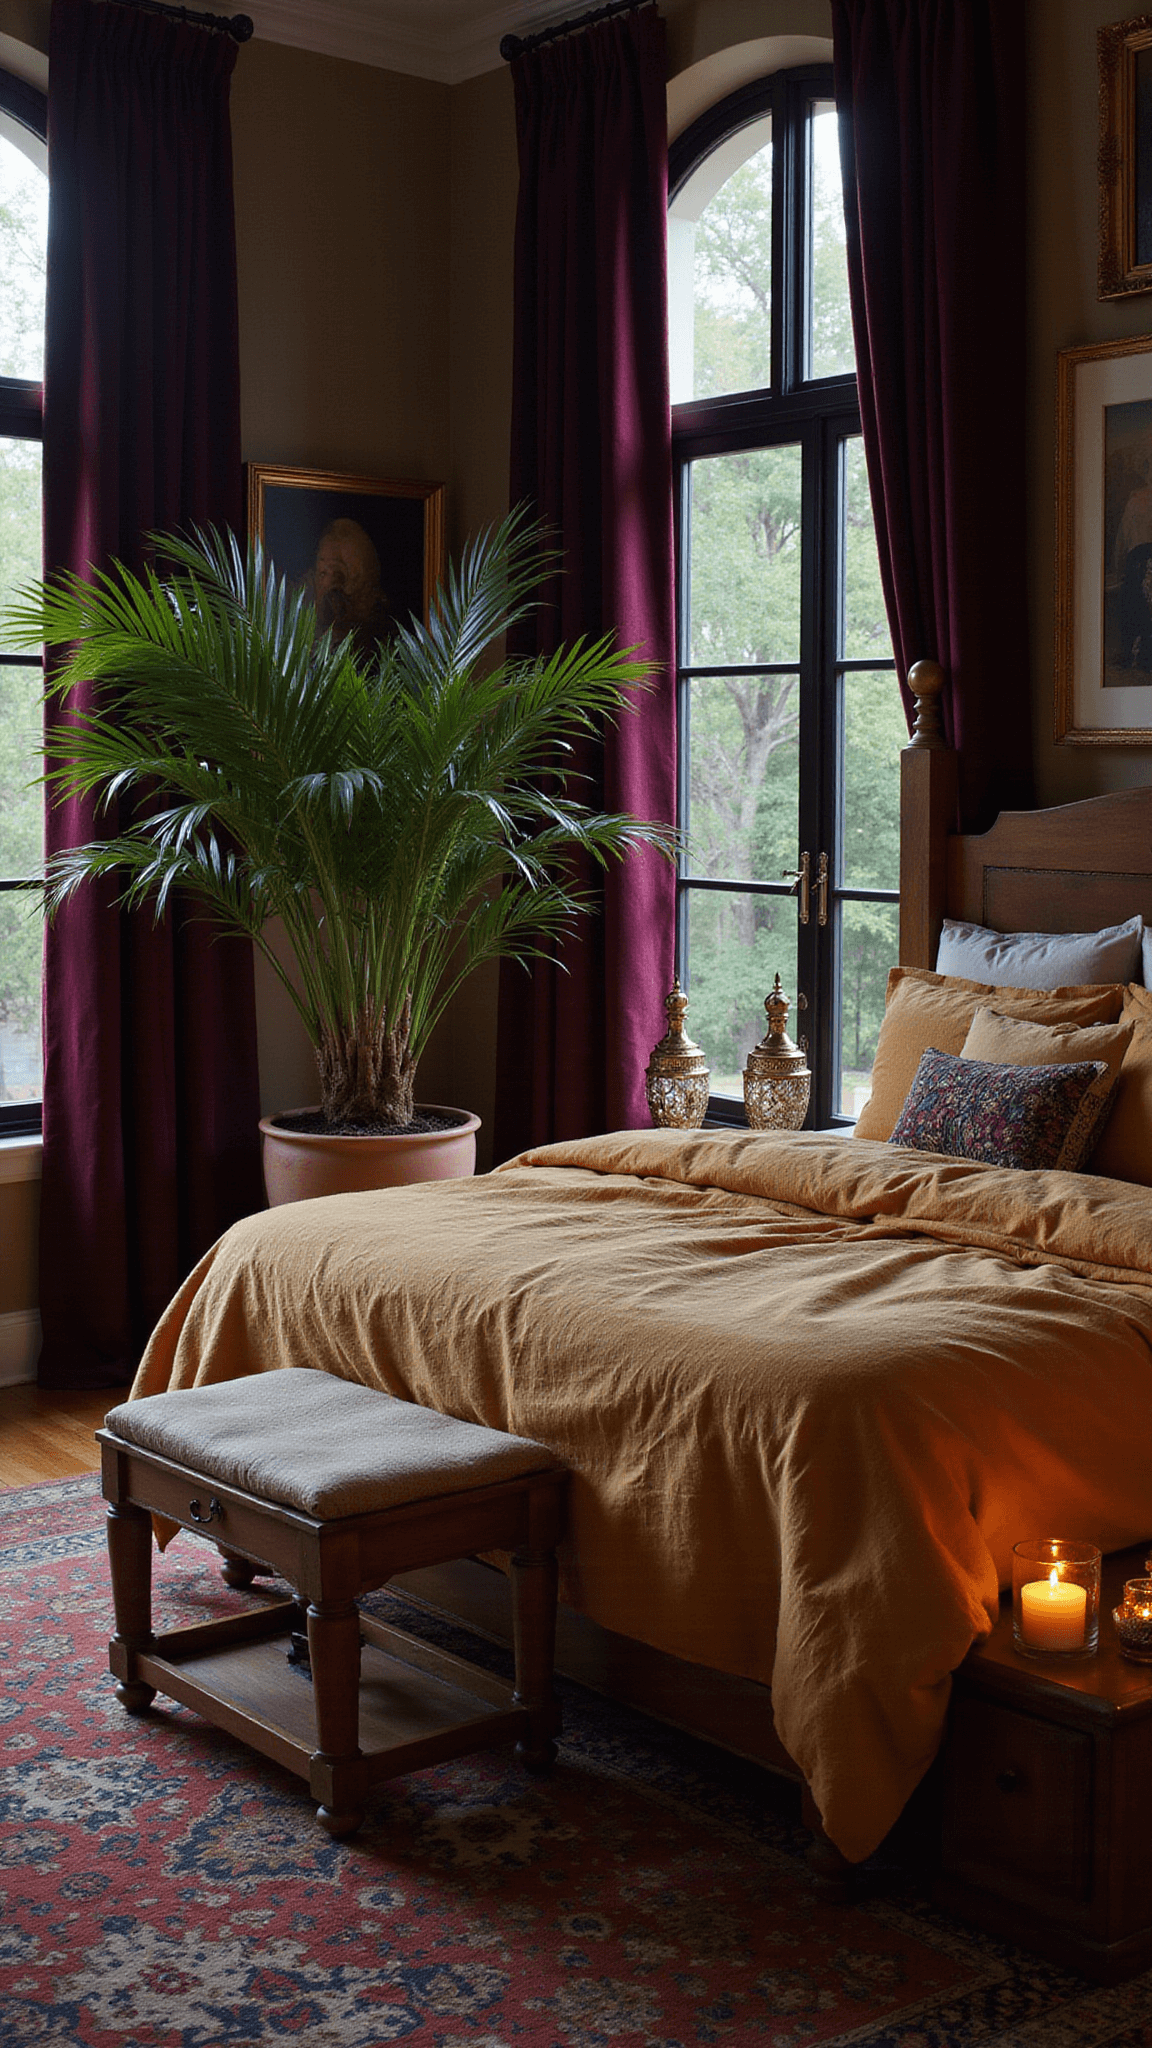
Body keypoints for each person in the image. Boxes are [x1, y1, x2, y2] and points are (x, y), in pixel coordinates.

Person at [303, 517, 394, 658]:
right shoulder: (305, 637)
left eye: (339, 574)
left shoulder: (381, 648)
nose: (328, 583)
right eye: (323, 573)